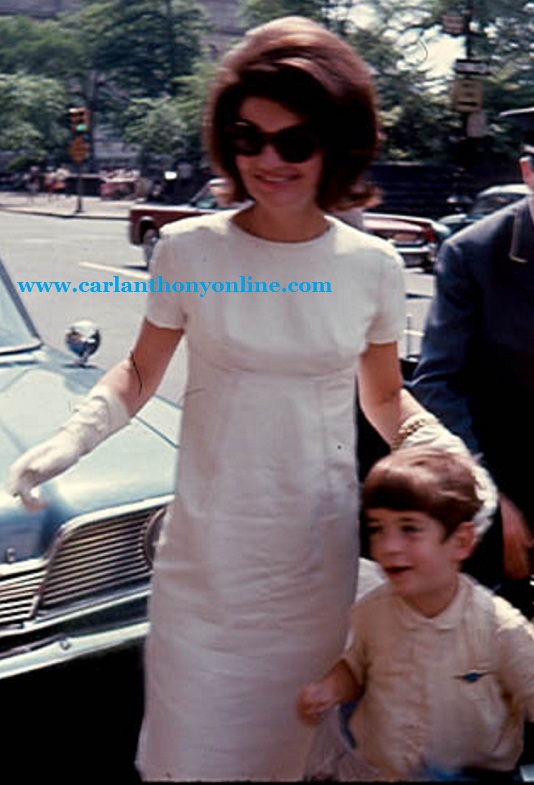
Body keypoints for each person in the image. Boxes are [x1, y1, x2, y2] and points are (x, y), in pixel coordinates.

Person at [6, 16, 495, 782]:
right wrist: (69, 441)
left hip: (309, 567)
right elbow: (136, 372)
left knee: (293, 756)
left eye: (293, 140)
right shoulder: (189, 250)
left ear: (334, 143)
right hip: (205, 569)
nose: (269, 158)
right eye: (248, 136)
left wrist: (450, 458)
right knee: (193, 754)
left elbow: (386, 399)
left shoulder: (369, 266)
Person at [298, 446, 534, 782]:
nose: (389, 546)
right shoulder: (372, 611)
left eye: (409, 529)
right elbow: (357, 666)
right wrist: (331, 688)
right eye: (378, 528)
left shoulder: (496, 626)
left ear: (461, 541)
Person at [410, 106, 534, 618]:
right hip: (507, 497)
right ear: (528, 172)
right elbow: (437, 383)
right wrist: (488, 499)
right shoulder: (473, 255)